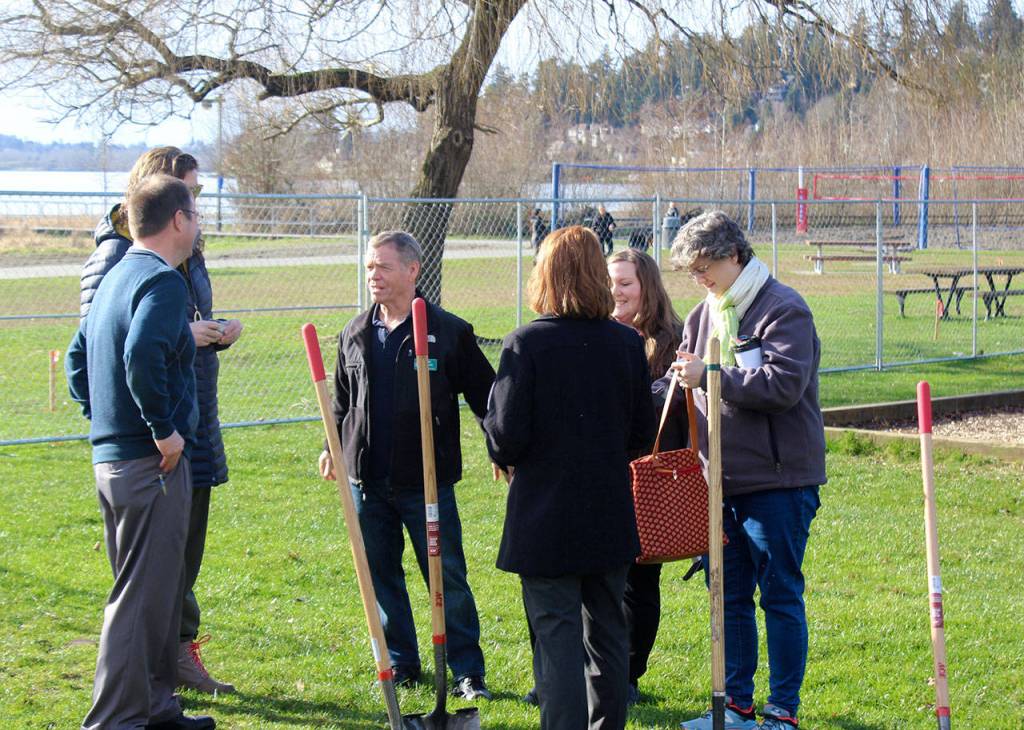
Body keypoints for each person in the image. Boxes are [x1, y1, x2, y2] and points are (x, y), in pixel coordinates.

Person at [80, 146, 242, 694]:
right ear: (170, 209)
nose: (197, 209)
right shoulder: (129, 264)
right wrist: (140, 425)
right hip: (150, 440)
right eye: (191, 198)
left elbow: (135, 347)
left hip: (176, 427)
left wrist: (204, 336)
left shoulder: (178, 266)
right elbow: (114, 350)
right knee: (143, 586)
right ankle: (121, 713)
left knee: (170, 567)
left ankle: (158, 700)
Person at [484, 225, 656, 730]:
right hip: (606, 507)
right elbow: (640, 432)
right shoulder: (626, 344)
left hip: (545, 513)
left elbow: (505, 439)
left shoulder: (527, 344)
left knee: (557, 636)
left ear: (546, 275)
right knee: (607, 633)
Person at [662, 211, 826, 730]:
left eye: (707, 265)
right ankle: (736, 705)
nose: (701, 277)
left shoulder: (784, 309)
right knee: (727, 595)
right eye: (692, 271)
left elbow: (782, 386)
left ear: (736, 254)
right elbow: (697, 382)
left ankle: (782, 711)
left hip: (780, 480)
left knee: (779, 593)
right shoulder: (701, 315)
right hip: (719, 482)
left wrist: (710, 374)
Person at [318, 231, 495, 700]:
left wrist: (501, 446)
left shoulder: (447, 331)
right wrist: (331, 445)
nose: (373, 275)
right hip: (369, 482)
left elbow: (488, 397)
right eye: (369, 266)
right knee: (380, 573)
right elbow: (340, 402)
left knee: (447, 574)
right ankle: (401, 662)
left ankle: (466, 670)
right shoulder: (355, 333)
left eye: (383, 267)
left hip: (427, 484)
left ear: (412, 271)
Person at [66, 174, 215, 730]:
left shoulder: (116, 274)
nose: (198, 224)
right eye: (195, 213)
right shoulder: (161, 281)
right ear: (178, 219)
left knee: (154, 594)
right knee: (138, 596)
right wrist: (161, 430)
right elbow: (141, 352)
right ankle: (115, 720)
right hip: (149, 462)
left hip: (117, 458)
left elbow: (77, 358)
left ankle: (156, 707)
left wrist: (102, 420)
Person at [608, 248, 685, 705]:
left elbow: (669, 401)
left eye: (625, 284)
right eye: (611, 283)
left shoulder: (670, 339)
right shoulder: (597, 334)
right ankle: (598, 668)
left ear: (647, 287)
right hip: (604, 474)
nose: (616, 292)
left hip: (651, 476)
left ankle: (629, 675)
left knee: (640, 581)